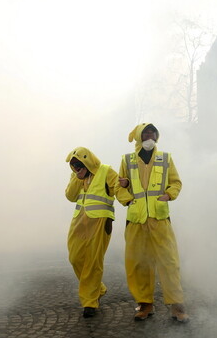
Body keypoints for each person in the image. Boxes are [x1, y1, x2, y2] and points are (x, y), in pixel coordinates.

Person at [116, 123, 189, 322]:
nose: (150, 136)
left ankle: (177, 306)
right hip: (136, 221)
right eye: (146, 133)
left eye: (153, 133)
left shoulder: (165, 158)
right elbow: (118, 186)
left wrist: (168, 195)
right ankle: (145, 304)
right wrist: (127, 198)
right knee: (138, 263)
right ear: (139, 137)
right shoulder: (127, 160)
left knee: (169, 261)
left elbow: (176, 182)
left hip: (160, 219)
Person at [65, 147, 118, 318]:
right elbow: (70, 196)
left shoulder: (105, 171)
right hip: (79, 222)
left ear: (88, 161)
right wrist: (77, 177)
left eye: (79, 165)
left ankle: (90, 302)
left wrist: (130, 199)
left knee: (93, 262)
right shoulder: (77, 176)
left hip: (100, 222)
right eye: (73, 166)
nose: (76, 167)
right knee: (75, 258)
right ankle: (99, 289)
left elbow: (120, 187)